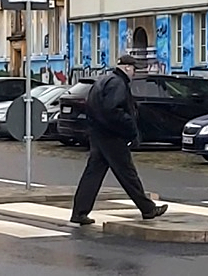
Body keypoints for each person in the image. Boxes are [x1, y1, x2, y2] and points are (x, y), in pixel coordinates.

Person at [70, 54, 168, 225]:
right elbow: (114, 111)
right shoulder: (118, 84)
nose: (134, 73)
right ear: (127, 68)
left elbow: (94, 107)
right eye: (134, 69)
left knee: (93, 174)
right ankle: (148, 209)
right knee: (127, 174)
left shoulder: (103, 81)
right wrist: (130, 129)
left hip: (98, 134)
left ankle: (79, 212)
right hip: (112, 136)